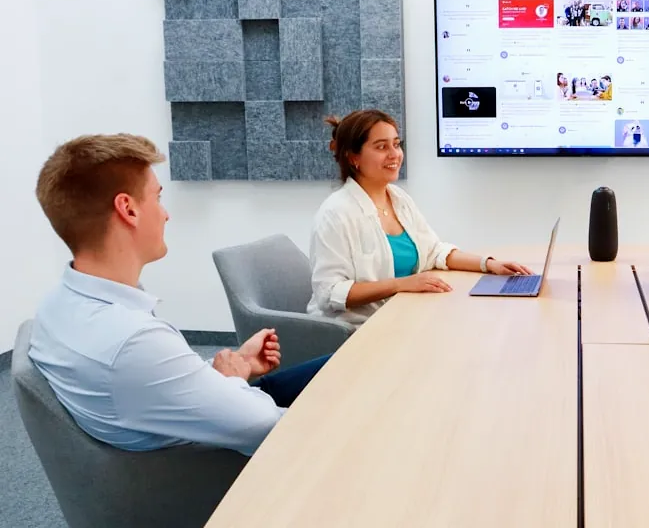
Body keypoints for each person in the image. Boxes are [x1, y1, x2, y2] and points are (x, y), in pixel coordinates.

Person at [29, 134, 328, 456]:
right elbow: (267, 427)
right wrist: (232, 380)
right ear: (128, 209)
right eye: (157, 198)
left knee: (352, 365)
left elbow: (155, 384)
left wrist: (231, 366)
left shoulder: (57, 306)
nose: (166, 214)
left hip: (210, 419)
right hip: (235, 461)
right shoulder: (133, 341)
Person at [308, 109, 532, 325]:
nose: (394, 154)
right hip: (357, 331)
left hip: (402, 317)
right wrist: (401, 284)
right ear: (353, 157)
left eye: (396, 144)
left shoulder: (398, 199)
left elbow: (434, 252)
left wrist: (489, 264)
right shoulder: (336, 214)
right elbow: (329, 293)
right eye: (381, 147)